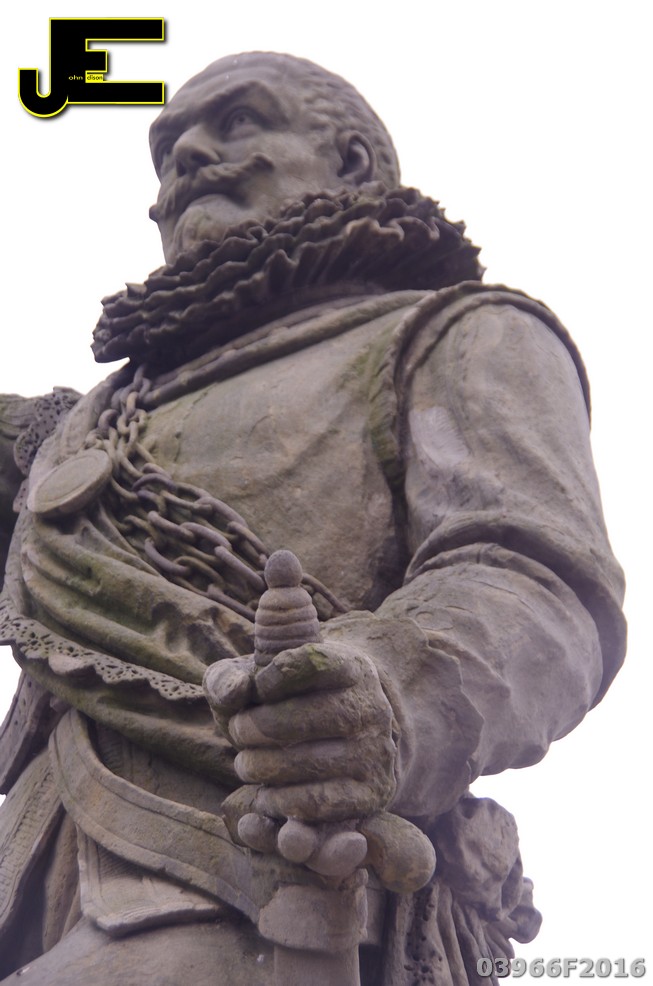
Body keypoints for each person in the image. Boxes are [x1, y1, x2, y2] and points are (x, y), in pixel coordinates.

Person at [0, 52, 625, 985]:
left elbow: (534, 582)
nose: (188, 158)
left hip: (262, 898)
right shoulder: (80, 426)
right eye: (166, 150)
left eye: (237, 121)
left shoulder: (456, 332)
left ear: (350, 163)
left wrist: (393, 692)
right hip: (30, 891)